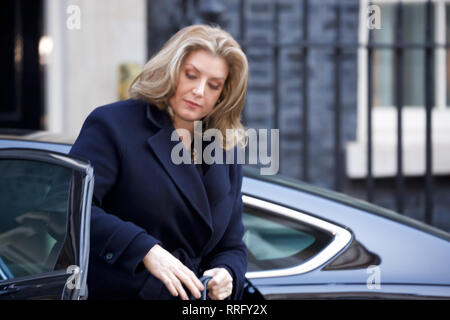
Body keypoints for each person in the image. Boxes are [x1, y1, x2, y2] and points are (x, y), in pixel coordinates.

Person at [69, 24, 249, 300]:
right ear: (171, 70)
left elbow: (232, 244)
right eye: (191, 75)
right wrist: (144, 250)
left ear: (222, 95)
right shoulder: (114, 124)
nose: (199, 91)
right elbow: (70, 208)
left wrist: (228, 273)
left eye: (213, 85)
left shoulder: (225, 147)